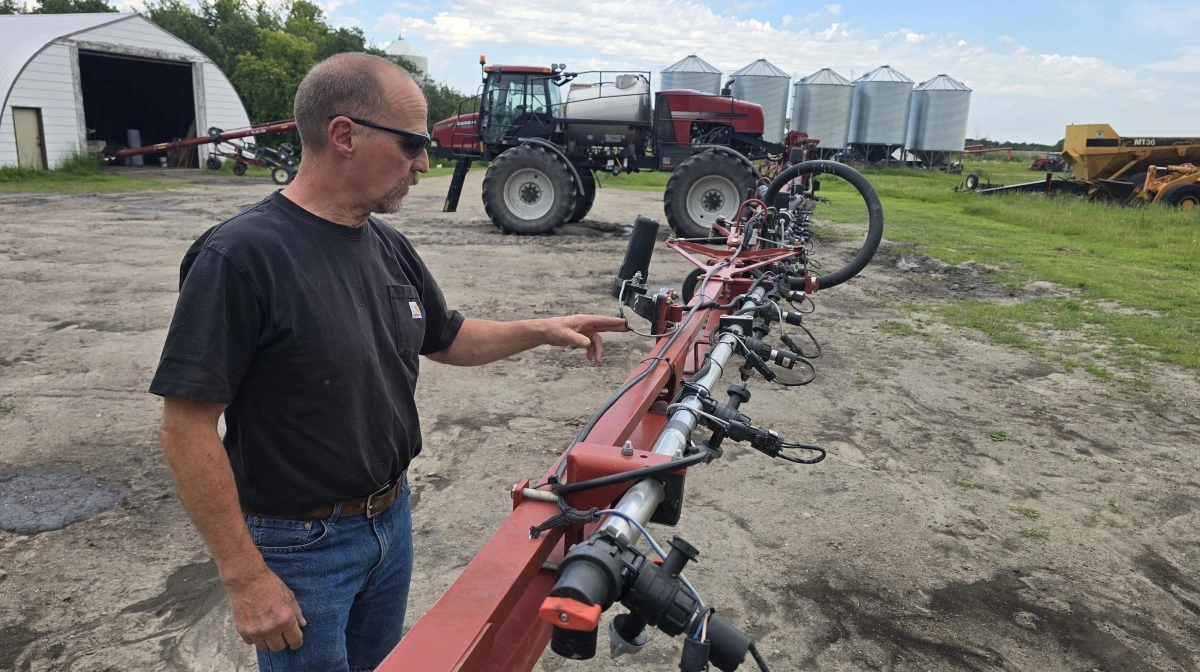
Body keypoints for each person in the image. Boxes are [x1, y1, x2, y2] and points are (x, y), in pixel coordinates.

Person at [149, 52, 626, 671]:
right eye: (411, 145)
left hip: (389, 521)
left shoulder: (385, 244)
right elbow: (185, 427)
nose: (424, 162)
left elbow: (447, 337)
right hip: (301, 546)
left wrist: (540, 329)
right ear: (344, 135)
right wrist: (245, 578)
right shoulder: (240, 257)